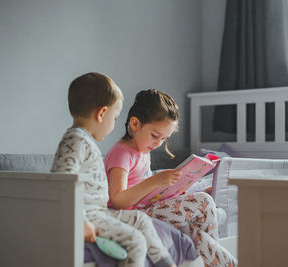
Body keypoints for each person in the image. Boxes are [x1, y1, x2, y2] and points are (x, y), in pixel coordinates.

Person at [51, 73, 176, 267]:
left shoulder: (84, 141)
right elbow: (62, 183)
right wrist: (81, 221)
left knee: (141, 220)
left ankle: (163, 261)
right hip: (88, 213)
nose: (114, 124)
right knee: (135, 240)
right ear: (102, 114)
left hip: (100, 211)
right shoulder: (75, 141)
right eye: (115, 117)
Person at [104, 89, 237, 267]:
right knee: (203, 202)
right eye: (155, 136)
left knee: (195, 227)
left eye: (164, 139)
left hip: (149, 207)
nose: (158, 143)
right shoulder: (122, 153)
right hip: (134, 216)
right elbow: (117, 199)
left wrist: (183, 190)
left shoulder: (143, 151)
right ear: (135, 124)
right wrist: (155, 181)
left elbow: (151, 192)